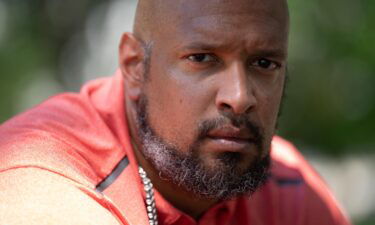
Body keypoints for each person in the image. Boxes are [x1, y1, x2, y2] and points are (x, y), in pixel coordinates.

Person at [0, 0, 352, 224]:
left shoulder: (289, 190)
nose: (240, 96)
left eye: (264, 63)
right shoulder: (41, 178)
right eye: (202, 58)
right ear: (135, 66)